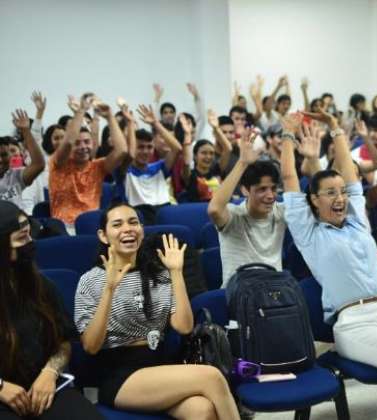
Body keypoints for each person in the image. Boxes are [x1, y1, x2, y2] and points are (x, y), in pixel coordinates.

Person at [280, 110, 377, 420]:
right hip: (354, 323)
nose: (340, 197)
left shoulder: (357, 222)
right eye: (330, 193)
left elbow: (351, 177)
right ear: (313, 200)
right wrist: (288, 134)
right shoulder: (309, 234)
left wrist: (337, 128)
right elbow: (288, 178)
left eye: (342, 192)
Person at [74, 203, 240, 420]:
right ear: (103, 236)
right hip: (119, 376)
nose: (128, 228)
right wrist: (109, 289)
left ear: (142, 230)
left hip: (161, 367)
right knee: (212, 377)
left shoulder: (158, 273)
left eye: (133, 222)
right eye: (117, 224)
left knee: (203, 411)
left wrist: (176, 272)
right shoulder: (90, 280)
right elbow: (90, 346)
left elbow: (184, 326)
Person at [0, 201, 103, 420]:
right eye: (21, 238)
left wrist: (50, 372)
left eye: (29, 235)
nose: (30, 243)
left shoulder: (41, 286)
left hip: (44, 387)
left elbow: (63, 342)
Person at [208, 130, 286, 287]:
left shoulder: (279, 212)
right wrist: (242, 162)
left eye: (273, 188)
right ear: (245, 190)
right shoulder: (234, 215)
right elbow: (214, 209)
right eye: (262, 189)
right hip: (241, 294)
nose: (270, 196)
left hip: (275, 294)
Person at [48, 96, 128, 231]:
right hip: (64, 228)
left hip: (93, 226)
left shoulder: (98, 166)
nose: (83, 147)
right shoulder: (58, 164)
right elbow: (68, 142)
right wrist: (81, 110)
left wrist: (109, 117)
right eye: (77, 143)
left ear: (93, 144)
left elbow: (122, 150)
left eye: (87, 142)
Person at [117, 105, 183, 225]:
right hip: (139, 222)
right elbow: (130, 155)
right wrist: (131, 123)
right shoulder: (125, 170)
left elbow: (177, 148)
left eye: (149, 147)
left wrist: (156, 123)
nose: (146, 151)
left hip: (165, 218)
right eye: (140, 147)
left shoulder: (159, 168)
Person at [1, 110, 45, 209]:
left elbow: (39, 164)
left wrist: (26, 130)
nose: (1, 159)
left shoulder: (16, 175)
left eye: (4, 155)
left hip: (23, 220)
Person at [181, 114, 222, 203]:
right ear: (195, 156)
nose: (208, 157)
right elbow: (186, 162)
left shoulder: (217, 172)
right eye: (204, 153)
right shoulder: (190, 175)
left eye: (211, 153)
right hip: (197, 213)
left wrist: (216, 128)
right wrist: (188, 135)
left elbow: (228, 149)